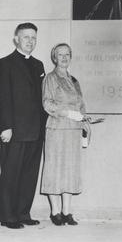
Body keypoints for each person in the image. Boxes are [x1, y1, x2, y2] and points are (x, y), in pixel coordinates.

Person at [0, 23, 46, 229]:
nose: (30, 41)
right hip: (14, 130)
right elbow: (1, 98)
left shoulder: (38, 64)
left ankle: (23, 212)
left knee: (29, 174)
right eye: (26, 37)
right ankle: (8, 216)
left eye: (33, 38)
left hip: (36, 131)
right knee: (11, 174)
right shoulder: (5, 63)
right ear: (16, 39)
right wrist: (5, 126)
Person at [41, 43, 90, 226]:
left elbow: (81, 104)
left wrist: (84, 119)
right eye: (60, 55)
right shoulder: (50, 78)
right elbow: (47, 104)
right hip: (57, 129)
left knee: (70, 170)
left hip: (73, 131)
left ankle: (67, 211)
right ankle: (55, 212)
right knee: (54, 169)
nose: (64, 58)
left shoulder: (74, 80)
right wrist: (68, 113)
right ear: (54, 58)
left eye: (67, 54)